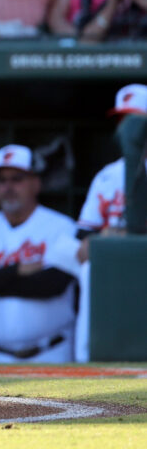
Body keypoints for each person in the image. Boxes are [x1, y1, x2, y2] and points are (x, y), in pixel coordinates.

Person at [0, 144, 81, 363]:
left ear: (36, 183)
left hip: (51, 352)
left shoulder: (62, 226)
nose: (8, 187)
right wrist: (16, 270)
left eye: (17, 179)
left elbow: (52, 284)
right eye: (1, 180)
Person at [73, 82, 145, 362]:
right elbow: (83, 245)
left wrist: (121, 236)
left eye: (134, 120)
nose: (125, 128)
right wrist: (110, 238)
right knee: (89, 270)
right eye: (121, 120)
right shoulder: (106, 177)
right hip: (113, 281)